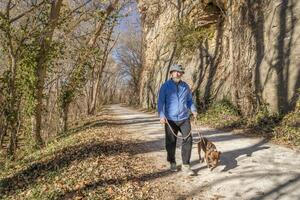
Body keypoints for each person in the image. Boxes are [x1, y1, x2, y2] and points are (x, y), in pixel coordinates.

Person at [157, 64, 197, 175]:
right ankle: (172, 161)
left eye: (180, 72)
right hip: (170, 119)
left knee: (188, 139)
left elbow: (189, 100)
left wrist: (193, 109)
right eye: (176, 72)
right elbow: (160, 102)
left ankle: (186, 165)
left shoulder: (185, 86)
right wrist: (161, 115)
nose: (178, 74)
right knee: (170, 142)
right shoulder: (165, 86)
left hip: (184, 118)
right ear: (171, 73)